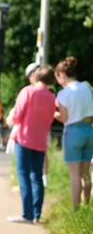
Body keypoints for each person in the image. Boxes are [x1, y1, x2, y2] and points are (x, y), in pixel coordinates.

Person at [6, 65, 56, 224]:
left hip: (24, 138)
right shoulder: (51, 97)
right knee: (37, 177)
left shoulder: (28, 91)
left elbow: (18, 114)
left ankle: (26, 214)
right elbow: (50, 119)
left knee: (23, 176)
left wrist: (11, 122)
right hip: (40, 141)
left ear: (37, 76)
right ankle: (36, 214)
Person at [54, 56, 93, 210]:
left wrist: (55, 115)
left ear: (61, 75)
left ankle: (76, 210)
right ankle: (88, 204)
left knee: (75, 175)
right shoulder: (87, 87)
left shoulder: (63, 94)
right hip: (89, 130)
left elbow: (64, 118)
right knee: (86, 173)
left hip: (73, 132)